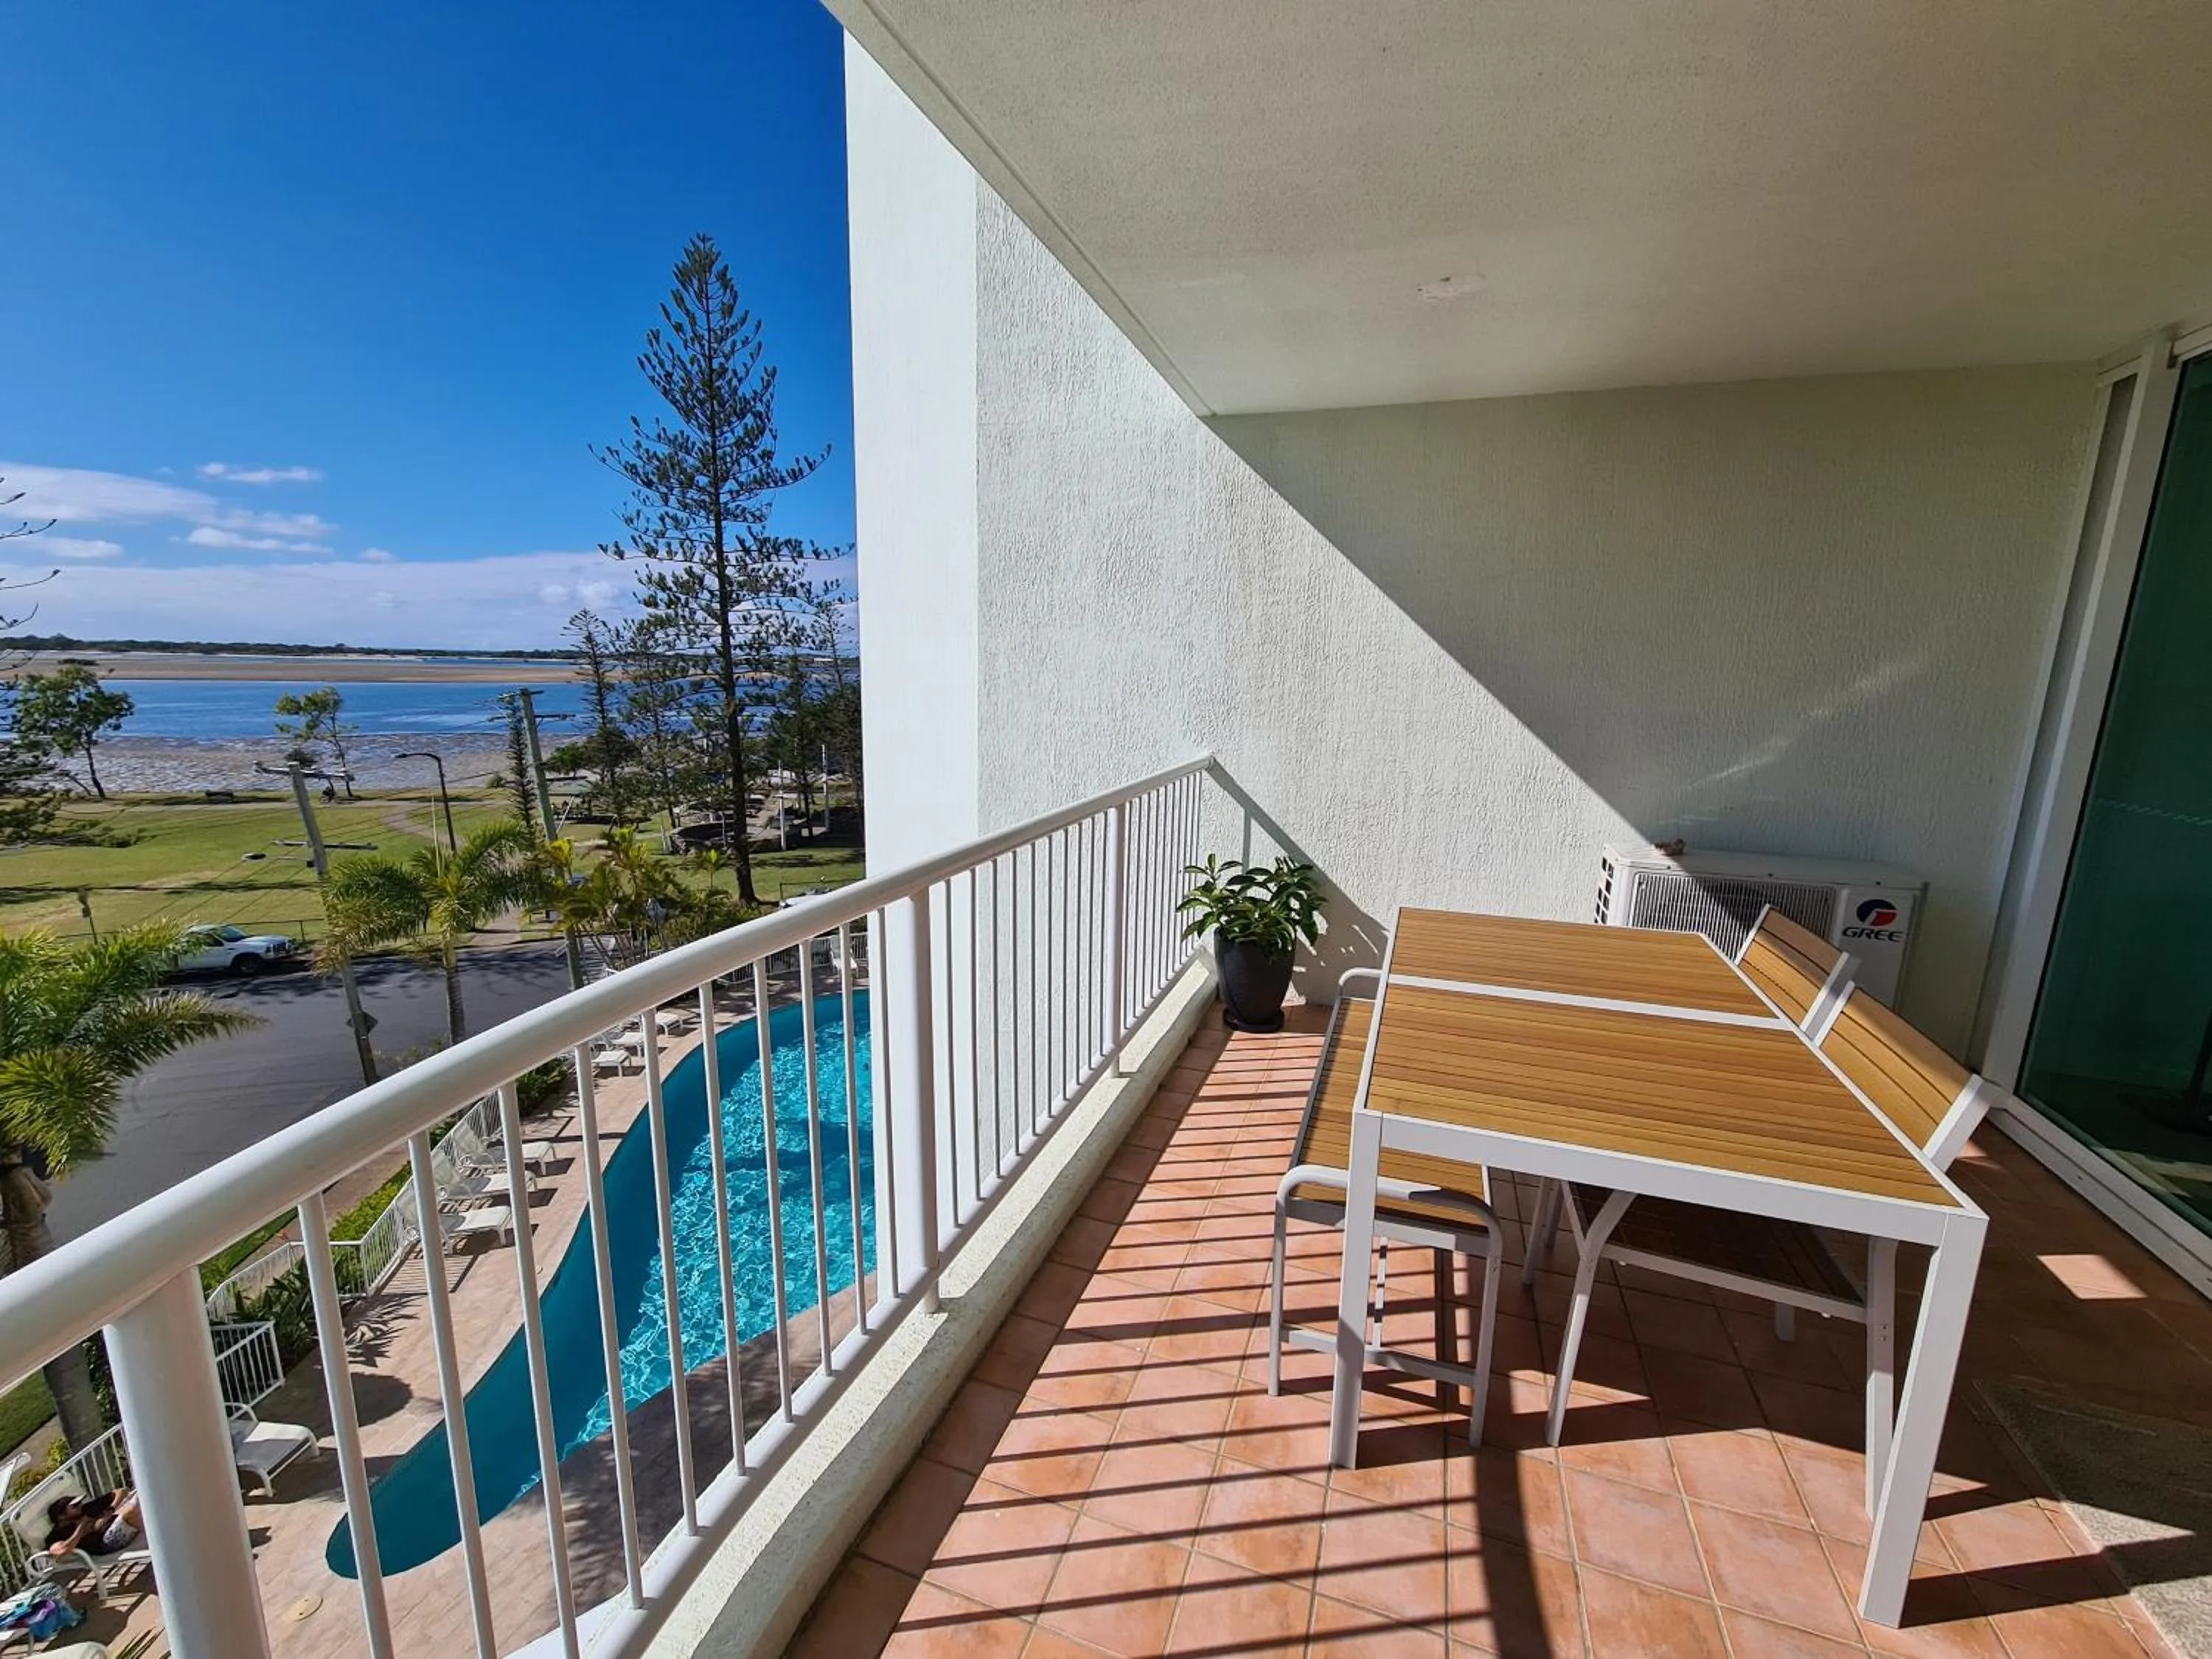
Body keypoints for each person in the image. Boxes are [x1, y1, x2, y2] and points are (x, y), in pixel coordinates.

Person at [43, 1487, 142, 1557]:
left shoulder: (85, 1509)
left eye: (79, 1503)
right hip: (105, 1543)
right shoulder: (56, 1535)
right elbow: (61, 1550)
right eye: (75, 1506)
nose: (80, 1506)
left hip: (115, 1525)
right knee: (131, 1510)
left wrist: (111, 1510)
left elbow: (122, 1491)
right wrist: (82, 1527)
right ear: (61, 1516)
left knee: (140, 1495)